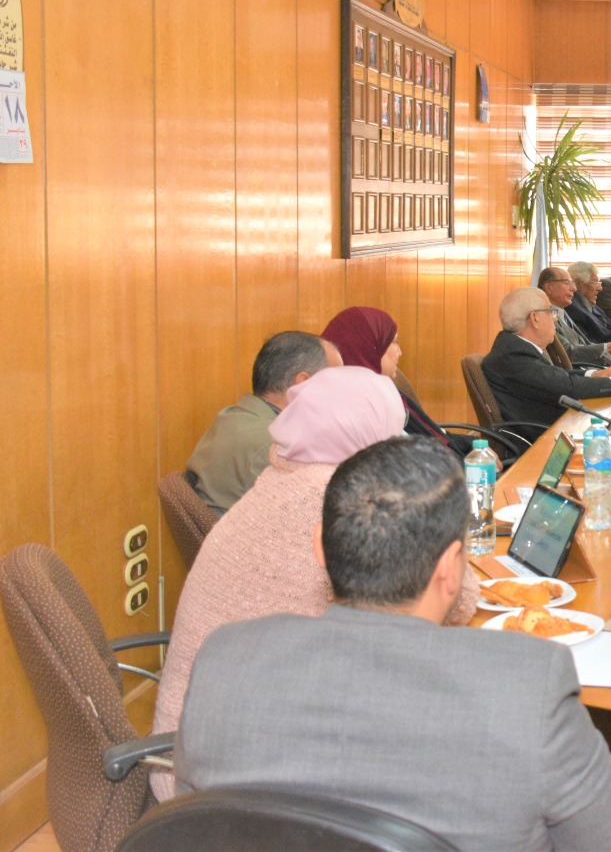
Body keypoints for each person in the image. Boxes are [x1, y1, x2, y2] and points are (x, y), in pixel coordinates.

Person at [174, 437, 611, 851]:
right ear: (451, 569)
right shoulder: (531, 685)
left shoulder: (223, 657)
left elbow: (194, 825)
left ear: (320, 548)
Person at [152, 367, 480, 799]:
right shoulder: (340, 503)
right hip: (234, 787)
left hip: (201, 749)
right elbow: (457, 600)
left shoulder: (281, 477)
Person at [184, 331, 341, 515]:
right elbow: (322, 517)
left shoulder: (233, 416)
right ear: (302, 385)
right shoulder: (276, 448)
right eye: (337, 382)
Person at [321, 306, 471, 453]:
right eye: (393, 342)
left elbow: (435, 435)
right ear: (369, 347)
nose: (399, 352)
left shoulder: (383, 393)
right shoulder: (363, 406)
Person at [483, 287, 611, 431]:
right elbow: (567, 388)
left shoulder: (515, 347)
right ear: (535, 318)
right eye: (550, 311)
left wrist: (594, 374)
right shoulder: (513, 355)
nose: (555, 318)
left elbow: (556, 376)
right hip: (542, 438)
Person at [539, 266, 611, 367]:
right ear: (549, 287)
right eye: (567, 283)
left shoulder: (563, 311)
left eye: (572, 283)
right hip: (580, 373)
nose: (574, 289)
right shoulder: (544, 317)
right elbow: (565, 354)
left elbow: (586, 344)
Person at [565, 260, 611, 342]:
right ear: (578, 283)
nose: (600, 288)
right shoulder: (574, 309)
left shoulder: (592, 306)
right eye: (595, 282)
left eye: (599, 282)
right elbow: (594, 343)